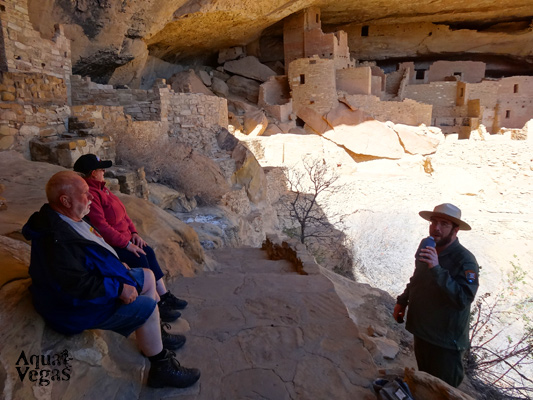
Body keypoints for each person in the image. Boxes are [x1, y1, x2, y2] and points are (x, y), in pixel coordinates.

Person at [22, 171, 200, 388]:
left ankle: (155, 337)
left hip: (94, 286)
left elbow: (90, 256)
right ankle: (162, 367)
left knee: (147, 276)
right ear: (65, 200)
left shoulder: (67, 219)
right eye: (84, 194)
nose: (90, 199)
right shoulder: (57, 241)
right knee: (147, 307)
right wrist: (118, 289)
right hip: (73, 309)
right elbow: (75, 286)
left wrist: (116, 266)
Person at [73, 154, 187, 323]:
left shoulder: (103, 188)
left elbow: (123, 213)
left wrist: (134, 234)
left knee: (147, 250)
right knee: (139, 257)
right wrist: (126, 244)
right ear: (92, 173)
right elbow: (102, 227)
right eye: (100, 169)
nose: (104, 171)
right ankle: (155, 305)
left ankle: (164, 296)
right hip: (114, 243)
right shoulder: (92, 194)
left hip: (125, 238)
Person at [393, 203, 479, 388]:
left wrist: (437, 268)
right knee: (424, 382)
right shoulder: (427, 245)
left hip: (445, 341)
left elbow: (463, 299)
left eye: (444, 224)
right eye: (434, 222)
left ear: (455, 230)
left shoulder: (465, 260)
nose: (436, 228)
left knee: (442, 389)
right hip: (423, 330)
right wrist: (402, 301)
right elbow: (418, 277)